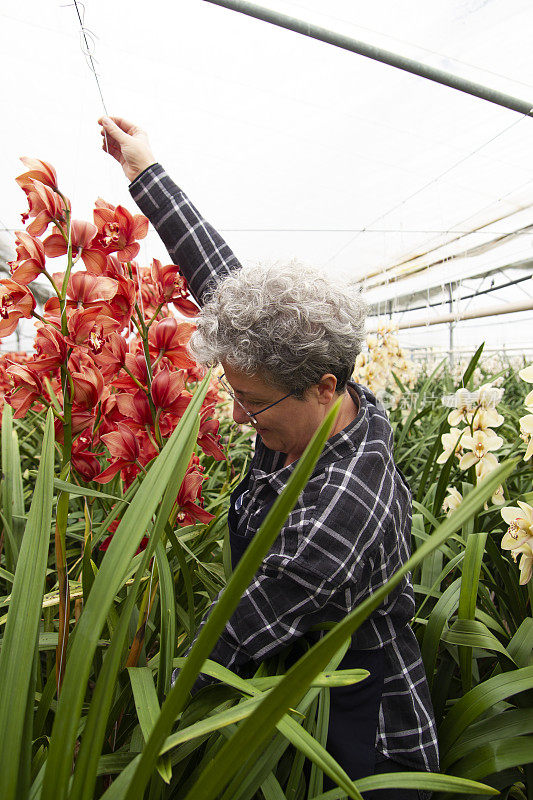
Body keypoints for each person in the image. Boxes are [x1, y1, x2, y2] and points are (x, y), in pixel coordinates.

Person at [98, 116, 439, 798]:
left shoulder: (340, 508)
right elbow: (220, 279)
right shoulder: (306, 392)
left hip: (361, 724)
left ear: (322, 386)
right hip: (290, 682)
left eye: (250, 403)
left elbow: (231, 633)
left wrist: (119, 720)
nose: (239, 416)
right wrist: (144, 169)